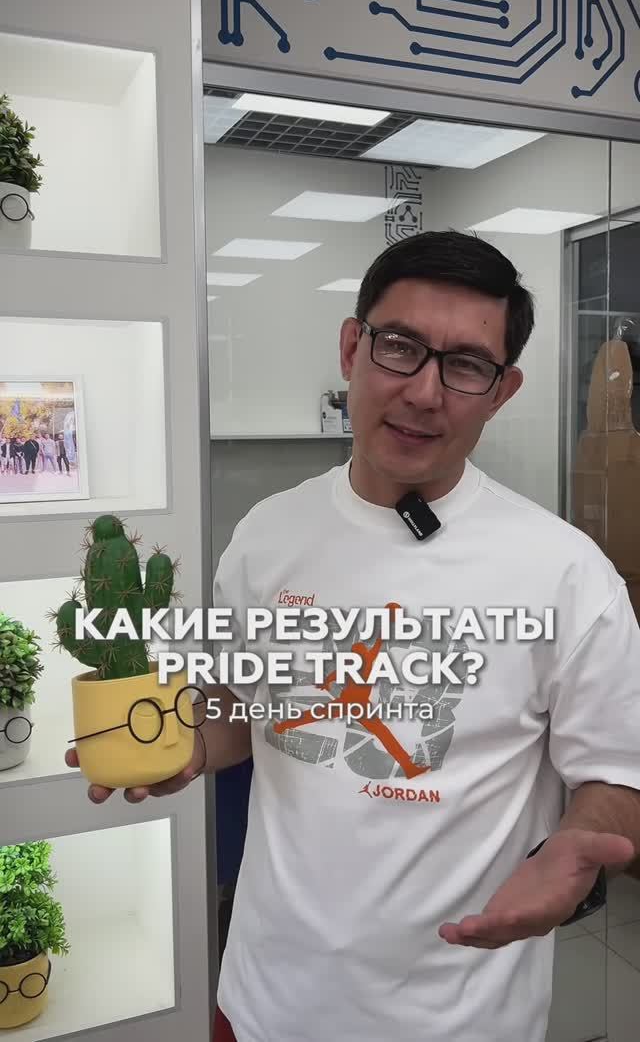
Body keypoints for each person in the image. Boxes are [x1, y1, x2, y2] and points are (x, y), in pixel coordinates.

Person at [66, 231, 640, 1042]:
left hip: (462, 1020)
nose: (425, 392)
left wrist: (578, 844)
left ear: (502, 391)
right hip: (265, 998)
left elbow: (617, 773)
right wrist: (180, 742)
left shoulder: (568, 574)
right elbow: (245, 706)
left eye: (466, 365)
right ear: (351, 348)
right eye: (400, 346)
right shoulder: (267, 533)